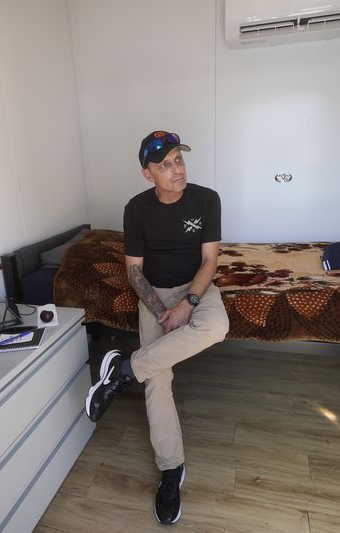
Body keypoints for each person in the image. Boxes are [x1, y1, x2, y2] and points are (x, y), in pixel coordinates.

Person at [85, 130, 229, 525]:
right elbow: (133, 272)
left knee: (216, 327)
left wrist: (187, 304)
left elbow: (210, 262)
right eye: (164, 165)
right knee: (159, 378)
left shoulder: (207, 199)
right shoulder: (136, 208)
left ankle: (124, 370)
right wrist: (162, 309)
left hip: (196, 288)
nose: (176, 169)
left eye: (178, 159)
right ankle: (171, 470)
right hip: (154, 292)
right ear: (148, 174)